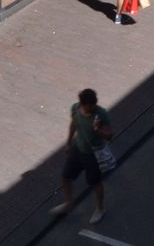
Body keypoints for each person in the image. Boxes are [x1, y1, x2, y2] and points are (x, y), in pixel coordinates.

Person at [51, 88, 113, 224]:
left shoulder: (101, 114)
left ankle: (100, 208)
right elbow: (74, 124)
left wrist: (99, 130)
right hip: (78, 149)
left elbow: (110, 135)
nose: (93, 107)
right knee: (65, 176)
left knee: (95, 183)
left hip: (93, 154)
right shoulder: (75, 109)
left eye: (94, 104)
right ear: (83, 104)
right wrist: (68, 142)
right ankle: (69, 203)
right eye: (90, 105)